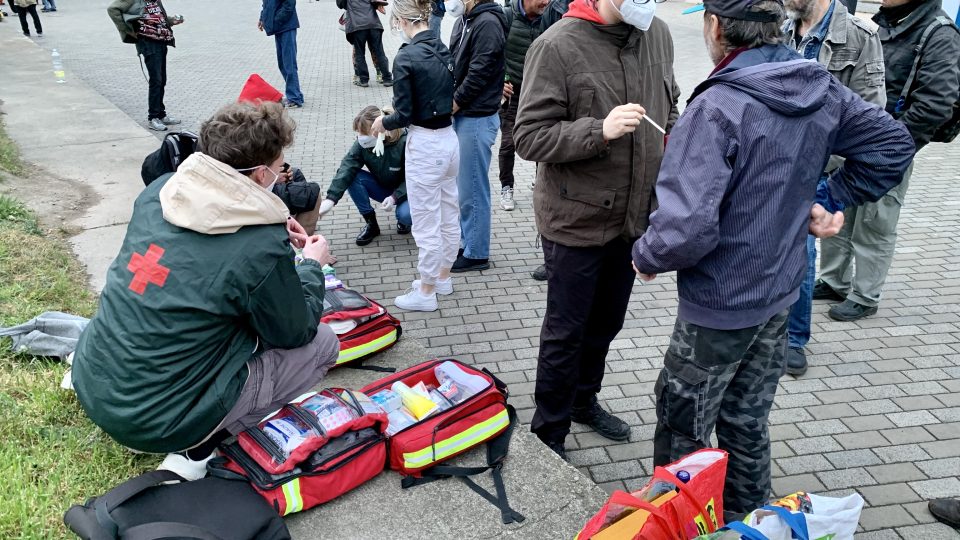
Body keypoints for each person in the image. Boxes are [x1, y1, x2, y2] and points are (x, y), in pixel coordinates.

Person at [631, 0, 914, 521]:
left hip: (719, 306)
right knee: (747, 419)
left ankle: (682, 524)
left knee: (683, 428)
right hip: (778, 293)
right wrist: (829, 197)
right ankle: (749, 521)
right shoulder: (818, 85)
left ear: (715, 28)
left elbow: (686, 228)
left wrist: (646, 256)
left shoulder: (717, 108)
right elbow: (894, 143)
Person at [72, 101, 340, 481]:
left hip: (98, 385)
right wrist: (313, 265)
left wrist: (276, 226)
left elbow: (205, 252)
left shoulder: (161, 190)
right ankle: (199, 444)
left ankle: (178, 423)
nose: (283, 174)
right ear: (262, 174)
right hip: (159, 422)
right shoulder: (257, 247)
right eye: (281, 168)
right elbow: (295, 330)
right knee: (324, 343)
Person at [513, 0, 680, 459]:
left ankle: (584, 400)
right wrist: (598, 130)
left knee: (606, 322)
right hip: (575, 222)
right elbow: (528, 136)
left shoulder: (657, 34)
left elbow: (669, 107)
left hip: (632, 219)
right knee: (566, 332)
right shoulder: (556, 45)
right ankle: (548, 433)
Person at [816, 0, 960, 323]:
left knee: (875, 221)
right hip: (855, 140)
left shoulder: (939, 33)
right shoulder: (883, 24)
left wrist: (892, 143)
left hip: (890, 147)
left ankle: (865, 294)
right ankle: (833, 280)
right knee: (839, 205)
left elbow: (936, 104)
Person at [780, 0, 886, 375]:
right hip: (775, 164)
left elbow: (871, 113)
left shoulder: (858, 36)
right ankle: (766, 333)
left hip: (817, 170)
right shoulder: (781, 28)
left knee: (802, 253)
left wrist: (831, 174)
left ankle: (794, 339)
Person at [370, 0, 458, 312]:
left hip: (426, 144)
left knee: (425, 220)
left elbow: (404, 114)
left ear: (402, 19)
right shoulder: (441, 45)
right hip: (449, 139)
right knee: (448, 210)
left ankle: (426, 290)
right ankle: (442, 276)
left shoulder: (406, 56)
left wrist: (383, 122)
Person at [448, 0, 507, 273]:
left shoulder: (487, 23)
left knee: (473, 188)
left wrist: (454, 104)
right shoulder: (466, 20)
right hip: (467, 116)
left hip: (476, 117)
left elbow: (478, 73)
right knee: (465, 190)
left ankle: (476, 252)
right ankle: (467, 241)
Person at [321, 105, 413, 246]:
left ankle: (404, 221)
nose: (361, 138)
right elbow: (347, 167)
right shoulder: (363, 144)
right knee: (353, 176)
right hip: (383, 187)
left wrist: (395, 197)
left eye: (364, 133)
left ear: (381, 130)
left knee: (405, 216)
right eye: (358, 132)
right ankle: (371, 224)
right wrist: (331, 199)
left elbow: (414, 178)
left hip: (409, 191)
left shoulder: (405, 141)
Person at [497, 0, 550, 212]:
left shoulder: (549, 17)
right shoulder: (506, 17)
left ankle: (541, 182)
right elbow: (493, 52)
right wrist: (500, 80)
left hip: (539, 92)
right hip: (513, 93)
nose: (546, 2)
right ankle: (506, 187)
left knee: (543, 139)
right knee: (509, 143)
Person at [108, 0, 184, 132]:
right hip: (148, 43)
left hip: (161, 41)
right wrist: (127, 30)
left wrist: (171, 20)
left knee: (162, 80)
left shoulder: (155, 1)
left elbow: (157, 19)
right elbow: (112, 9)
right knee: (156, 80)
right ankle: (153, 117)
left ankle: (161, 114)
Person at [259, 0, 305, 108]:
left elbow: (289, 5)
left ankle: (294, 98)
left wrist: (276, 20)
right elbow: (266, 4)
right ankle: (296, 94)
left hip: (286, 27)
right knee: (282, 64)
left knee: (289, 64)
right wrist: (262, 19)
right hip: (279, 28)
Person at [338, 0, 394, 87]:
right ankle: (387, 79)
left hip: (357, 25)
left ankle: (363, 80)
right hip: (373, 24)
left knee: (359, 53)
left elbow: (341, 4)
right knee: (380, 52)